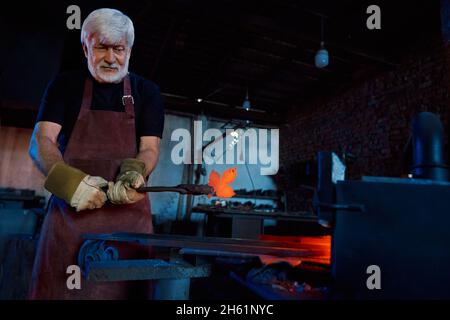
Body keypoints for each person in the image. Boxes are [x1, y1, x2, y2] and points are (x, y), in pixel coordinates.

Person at [28, 8, 164, 299]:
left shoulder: (147, 92)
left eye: (119, 49)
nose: (111, 58)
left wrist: (135, 172)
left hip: (129, 223)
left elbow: (150, 148)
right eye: (101, 47)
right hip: (70, 221)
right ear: (85, 46)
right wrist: (69, 183)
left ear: (129, 48)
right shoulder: (64, 85)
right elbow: (41, 141)